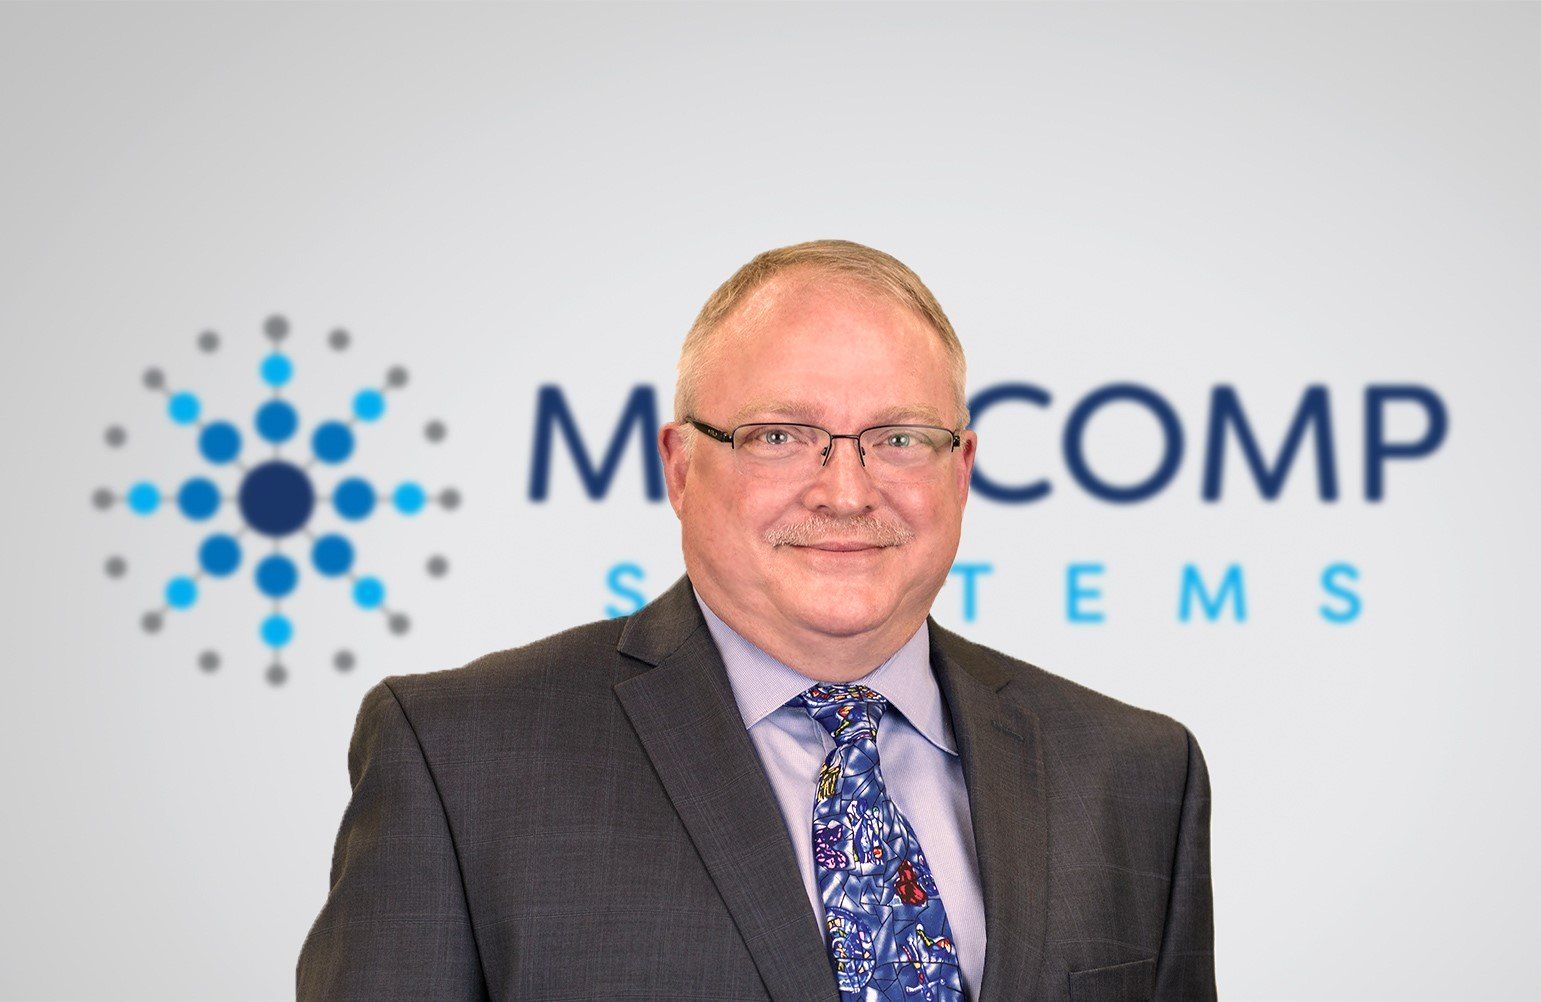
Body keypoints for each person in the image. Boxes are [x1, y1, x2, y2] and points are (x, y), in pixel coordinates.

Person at [296, 239, 1216, 1001]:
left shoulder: (1134, 772)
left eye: (899, 438)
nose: (845, 492)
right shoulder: (459, 756)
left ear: (962, 469)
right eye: (779, 436)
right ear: (680, 467)